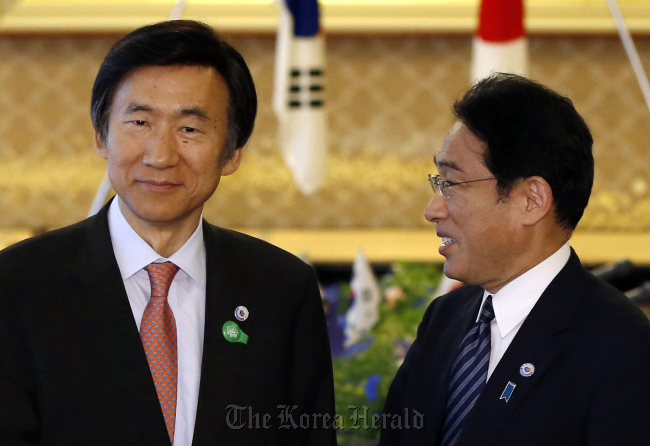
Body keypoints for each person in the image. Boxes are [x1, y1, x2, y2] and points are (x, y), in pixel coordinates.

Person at [0, 20, 336, 446]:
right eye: (139, 122)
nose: (160, 156)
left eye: (190, 129)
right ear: (101, 135)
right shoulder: (19, 284)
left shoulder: (281, 290)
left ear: (232, 153)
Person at [380, 73, 650, 446]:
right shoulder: (444, 319)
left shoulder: (620, 345)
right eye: (436, 182)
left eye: (451, 184)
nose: (432, 209)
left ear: (531, 200)